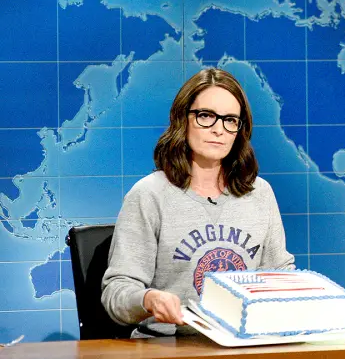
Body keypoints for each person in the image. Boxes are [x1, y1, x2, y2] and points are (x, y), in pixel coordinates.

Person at [102, 68, 294, 335]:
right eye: (206, 116)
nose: (218, 129)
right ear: (183, 119)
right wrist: (149, 300)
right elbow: (117, 291)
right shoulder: (149, 195)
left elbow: (279, 276)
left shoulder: (259, 193)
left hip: (243, 344)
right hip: (166, 349)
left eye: (230, 120)